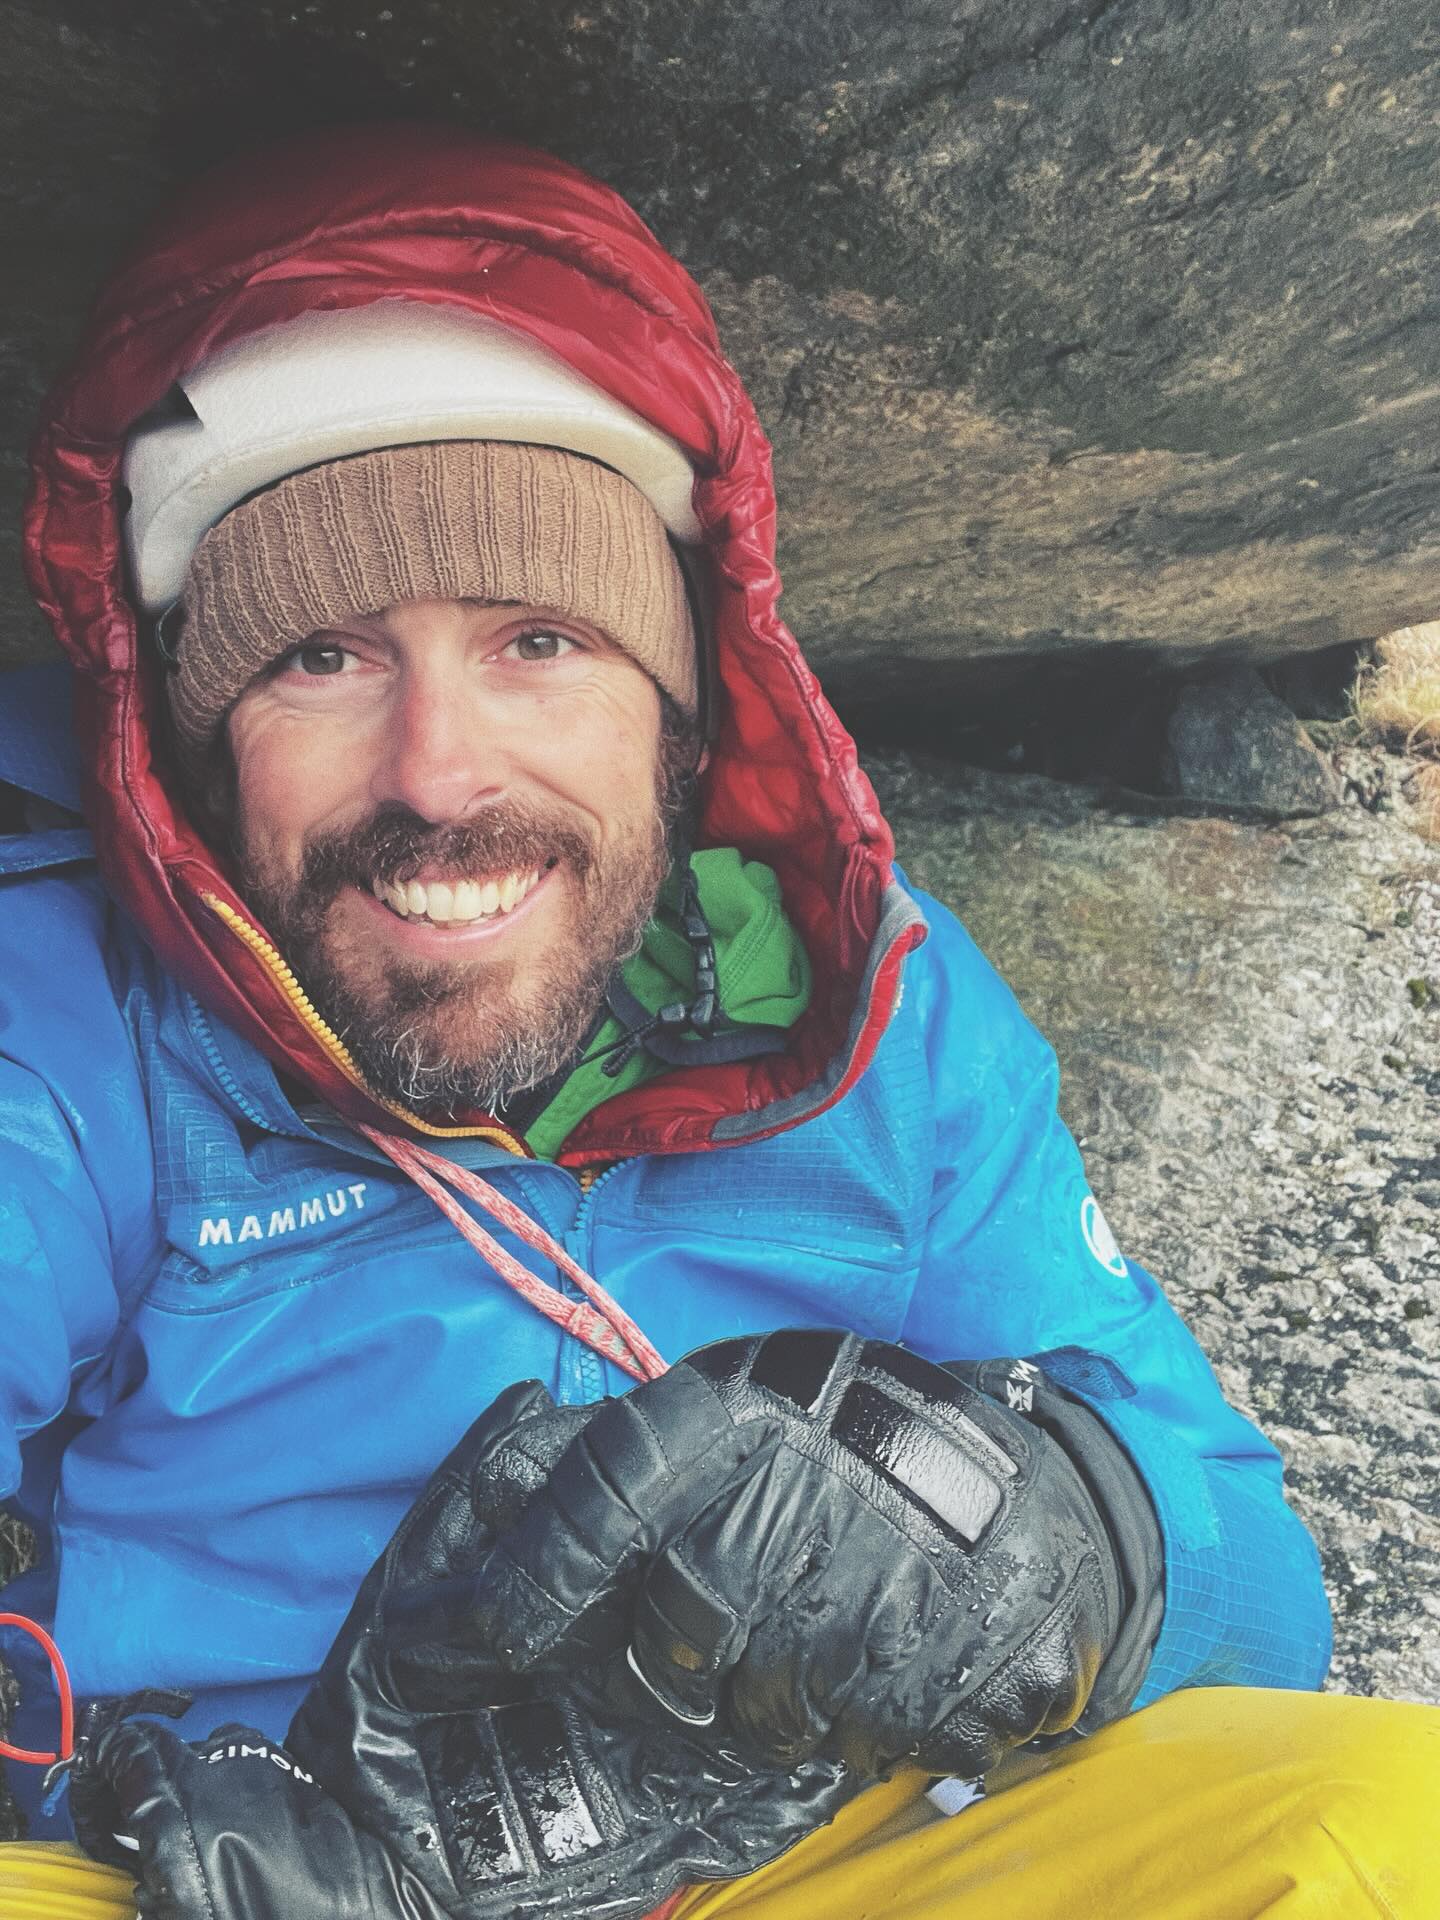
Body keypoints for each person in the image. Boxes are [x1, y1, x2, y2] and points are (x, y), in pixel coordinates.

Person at [0, 121, 1433, 1917]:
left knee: (1393, 1827)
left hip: (766, 1853)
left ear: (683, 705)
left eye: (543, 640)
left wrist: (1045, 1544)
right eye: (323, 656)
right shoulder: (60, 1008)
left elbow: (1252, 1588)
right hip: (204, 1868)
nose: (441, 779)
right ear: (197, 750)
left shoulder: (872, 1020)